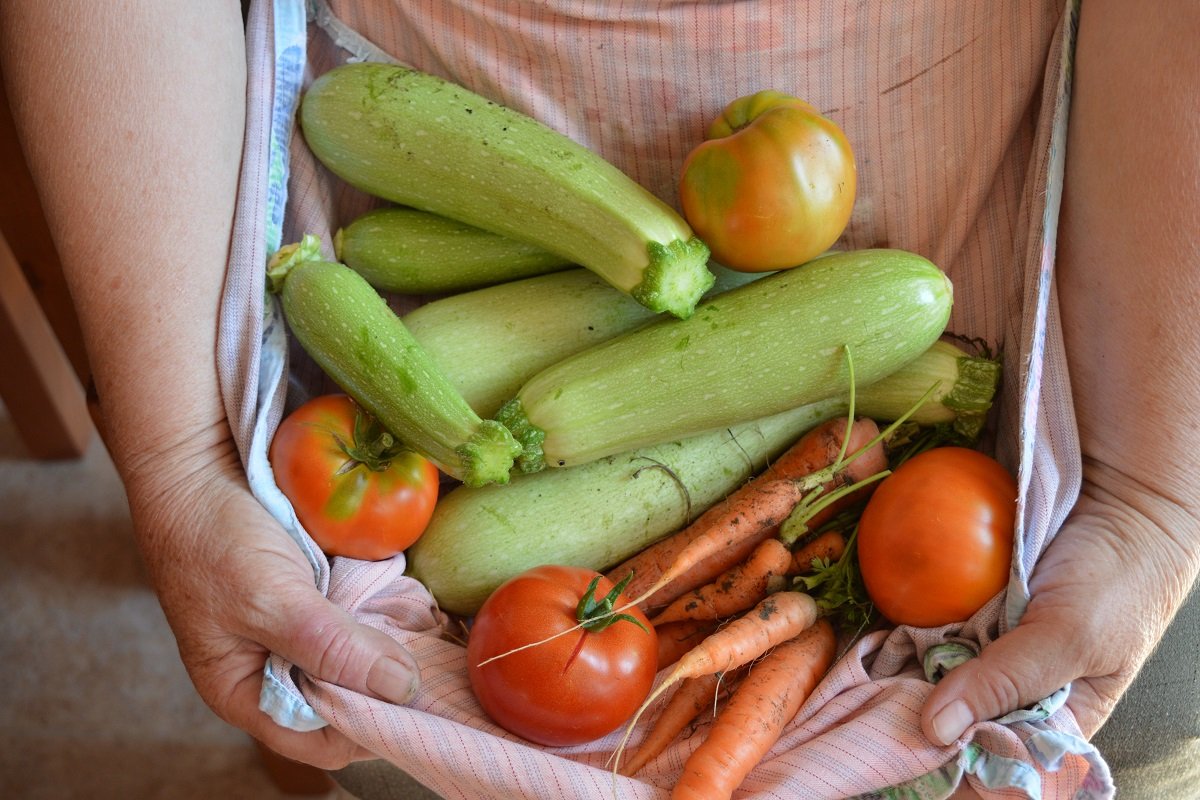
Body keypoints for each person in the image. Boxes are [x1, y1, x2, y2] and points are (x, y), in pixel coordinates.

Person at [1, 1, 1196, 798]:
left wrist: (1154, 495)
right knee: (384, 741)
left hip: (1092, 299)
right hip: (439, 212)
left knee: (1138, 730)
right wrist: (168, 453)